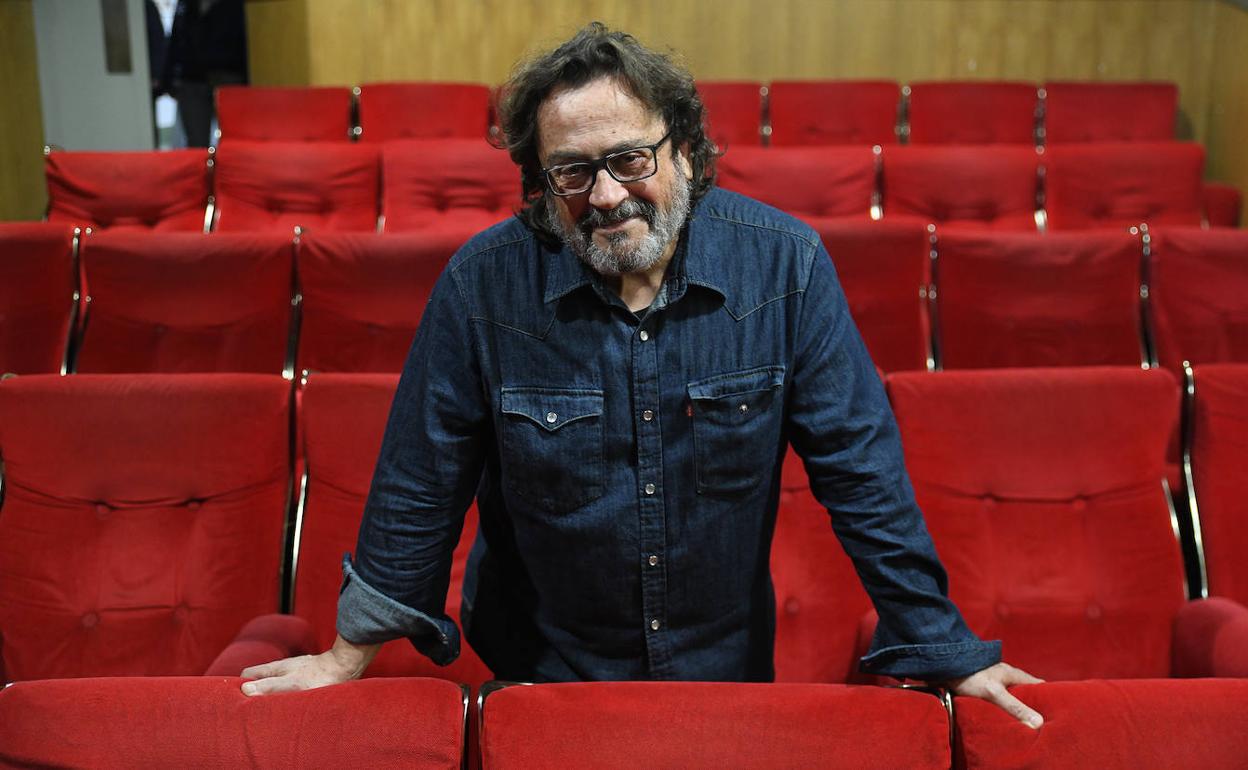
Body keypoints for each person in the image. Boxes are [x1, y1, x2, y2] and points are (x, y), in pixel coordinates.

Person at [241, 23, 1043, 728]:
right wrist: (347, 656)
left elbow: (860, 470)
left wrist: (946, 649)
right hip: (539, 681)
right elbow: (422, 479)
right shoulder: (482, 285)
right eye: (572, 173)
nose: (607, 195)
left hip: (724, 677)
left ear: (684, 148)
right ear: (541, 182)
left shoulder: (784, 266)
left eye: (629, 159)